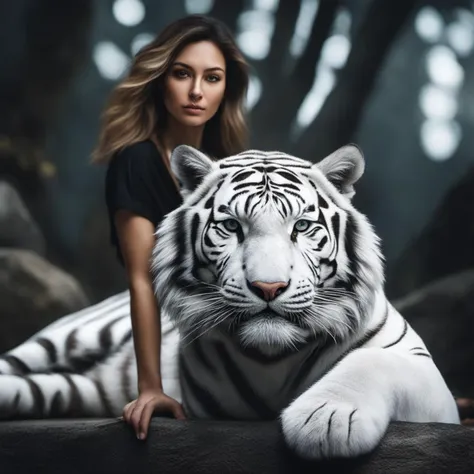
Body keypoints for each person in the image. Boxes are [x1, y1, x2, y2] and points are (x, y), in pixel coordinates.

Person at [92, 15, 250, 441]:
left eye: (212, 78)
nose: (196, 91)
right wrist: (150, 389)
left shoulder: (224, 166)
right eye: (182, 74)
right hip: (176, 331)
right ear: (161, 80)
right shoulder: (136, 160)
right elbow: (143, 280)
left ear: (226, 90)